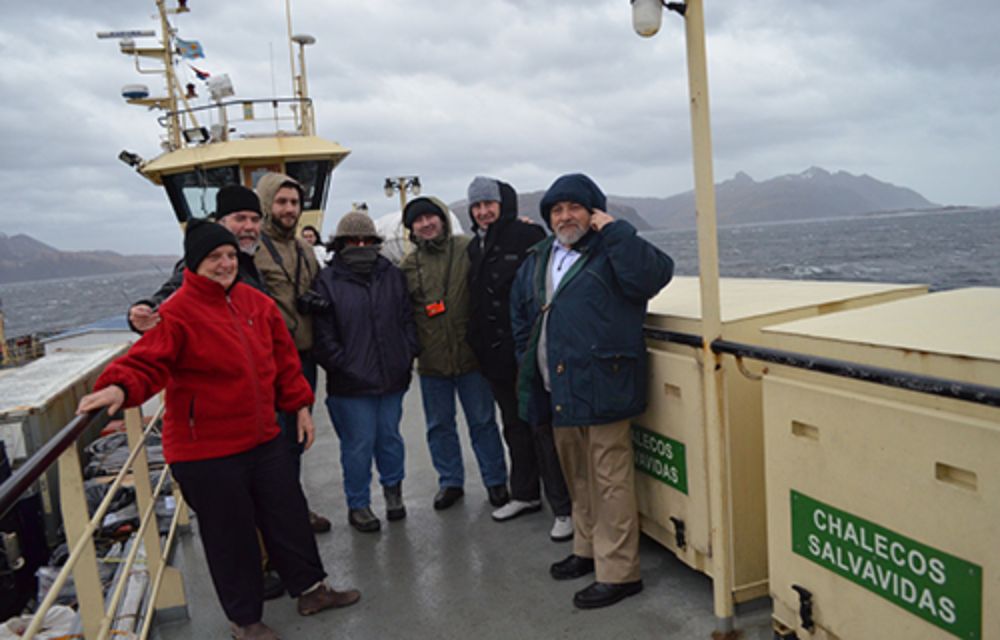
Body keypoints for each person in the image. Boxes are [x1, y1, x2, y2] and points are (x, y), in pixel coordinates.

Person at [77, 221, 360, 640]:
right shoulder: (175, 312)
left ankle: (312, 590)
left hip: (263, 438)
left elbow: (283, 360)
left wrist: (299, 405)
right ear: (195, 264)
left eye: (230, 256)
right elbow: (148, 360)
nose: (225, 264)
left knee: (288, 517)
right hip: (205, 451)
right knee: (232, 537)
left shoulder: (255, 303)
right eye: (215, 258)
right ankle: (245, 621)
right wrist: (118, 386)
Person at [510, 173, 674, 610]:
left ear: (593, 212)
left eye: (574, 208)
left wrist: (616, 229)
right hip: (555, 384)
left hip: (604, 384)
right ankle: (586, 548)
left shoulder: (611, 251)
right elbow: (522, 314)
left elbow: (655, 275)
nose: (565, 217)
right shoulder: (540, 256)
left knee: (610, 479)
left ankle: (620, 572)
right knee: (577, 475)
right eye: (557, 210)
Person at [464, 176, 573, 541]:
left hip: (526, 353)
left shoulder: (527, 237)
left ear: (502, 203)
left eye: (488, 204)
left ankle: (564, 508)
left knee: (541, 428)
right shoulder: (474, 248)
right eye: (477, 206)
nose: (483, 212)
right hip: (494, 359)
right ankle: (524, 494)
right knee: (514, 427)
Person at [398, 196, 509, 510]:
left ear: (443, 219)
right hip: (432, 362)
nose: (426, 224)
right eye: (418, 221)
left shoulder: (468, 249)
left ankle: (496, 480)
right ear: (412, 229)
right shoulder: (408, 266)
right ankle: (450, 481)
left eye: (431, 217)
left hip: (471, 356)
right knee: (439, 425)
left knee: (483, 422)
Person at [311, 212, 419, 533]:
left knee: (390, 439)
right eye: (353, 242)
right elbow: (323, 335)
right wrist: (344, 364)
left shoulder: (392, 276)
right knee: (357, 446)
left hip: (392, 379)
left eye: (367, 241)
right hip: (350, 386)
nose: (361, 246)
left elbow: (407, 320)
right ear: (340, 244)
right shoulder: (326, 282)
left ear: (375, 243)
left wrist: (405, 353)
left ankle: (393, 494)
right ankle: (358, 504)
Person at [254, 172, 330, 533]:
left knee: (296, 441)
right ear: (267, 204)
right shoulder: (251, 248)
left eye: (294, 203)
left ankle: (292, 507)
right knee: (273, 443)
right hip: (267, 364)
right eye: (281, 202)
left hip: (304, 359)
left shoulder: (304, 248)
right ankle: (280, 518)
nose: (288, 209)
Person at [127, 184, 268, 334]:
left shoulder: (248, 261)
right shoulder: (203, 262)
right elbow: (178, 287)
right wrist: (148, 308)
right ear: (221, 223)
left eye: (255, 220)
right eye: (240, 219)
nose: (249, 226)